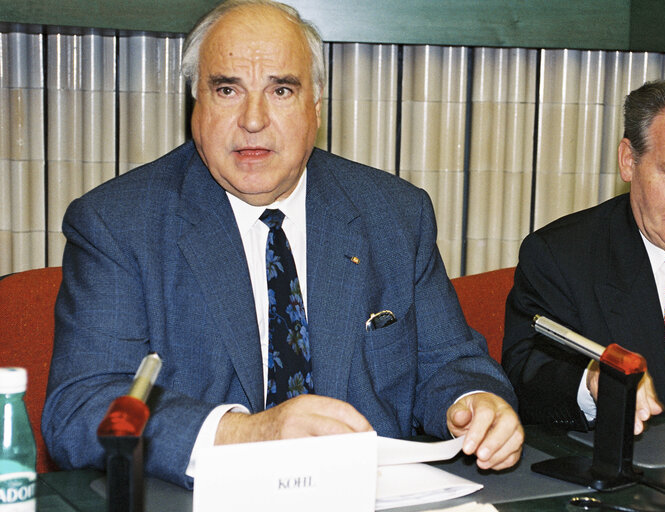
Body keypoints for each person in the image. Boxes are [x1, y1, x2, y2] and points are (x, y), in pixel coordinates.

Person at [42, 0, 523, 489]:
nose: (253, 120)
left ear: (316, 105)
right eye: (227, 89)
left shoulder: (395, 213)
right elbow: (83, 408)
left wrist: (471, 403)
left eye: (281, 89)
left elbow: (450, 364)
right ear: (196, 106)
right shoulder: (119, 223)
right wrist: (246, 434)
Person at [503, 71, 665, 435]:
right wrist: (593, 381)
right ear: (629, 160)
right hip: (631, 479)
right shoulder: (562, 256)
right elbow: (528, 375)